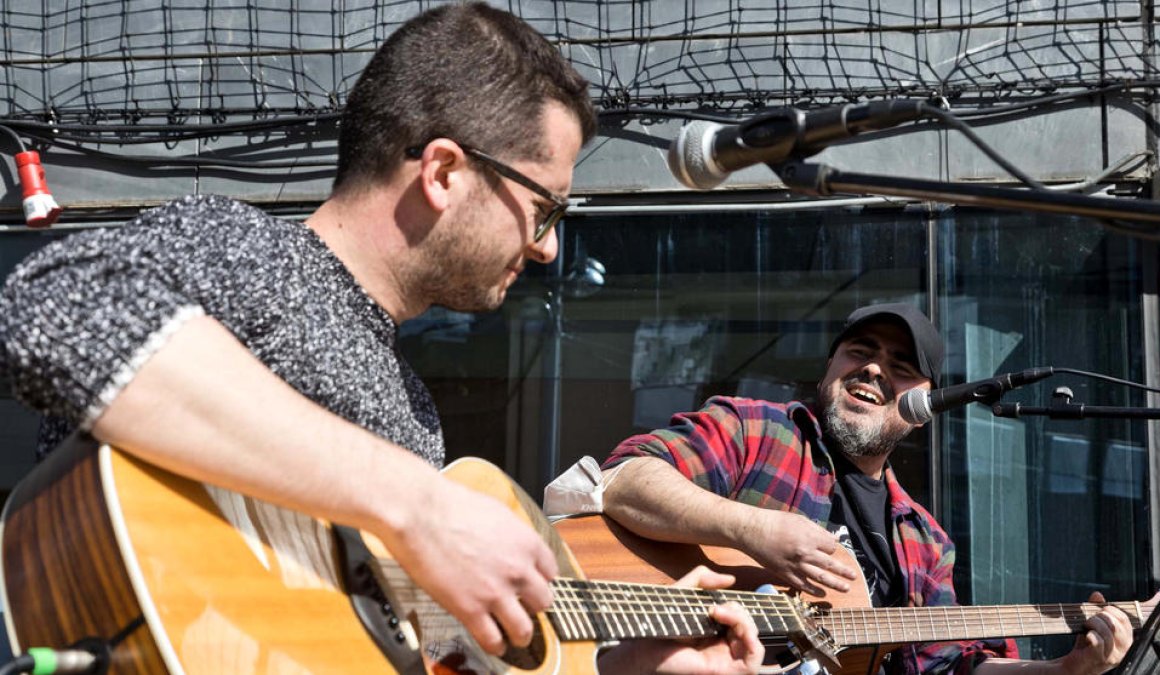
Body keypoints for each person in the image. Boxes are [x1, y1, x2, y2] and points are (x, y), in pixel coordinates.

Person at [0, 4, 760, 674]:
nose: (547, 248)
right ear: (444, 171)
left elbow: (417, 646)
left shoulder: (413, 410)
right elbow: (51, 305)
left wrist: (622, 665)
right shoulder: (250, 252)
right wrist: (417, 505)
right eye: (545, 208)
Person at [599, 302, 1136, 675]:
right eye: (859, 352)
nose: (875, 368)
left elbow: (947, 666)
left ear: (923, 409)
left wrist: (1068, 667)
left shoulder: (926, 542)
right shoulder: (757, 431)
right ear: (829, 368)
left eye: (901, 367)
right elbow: (623, 480)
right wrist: (755, 528)